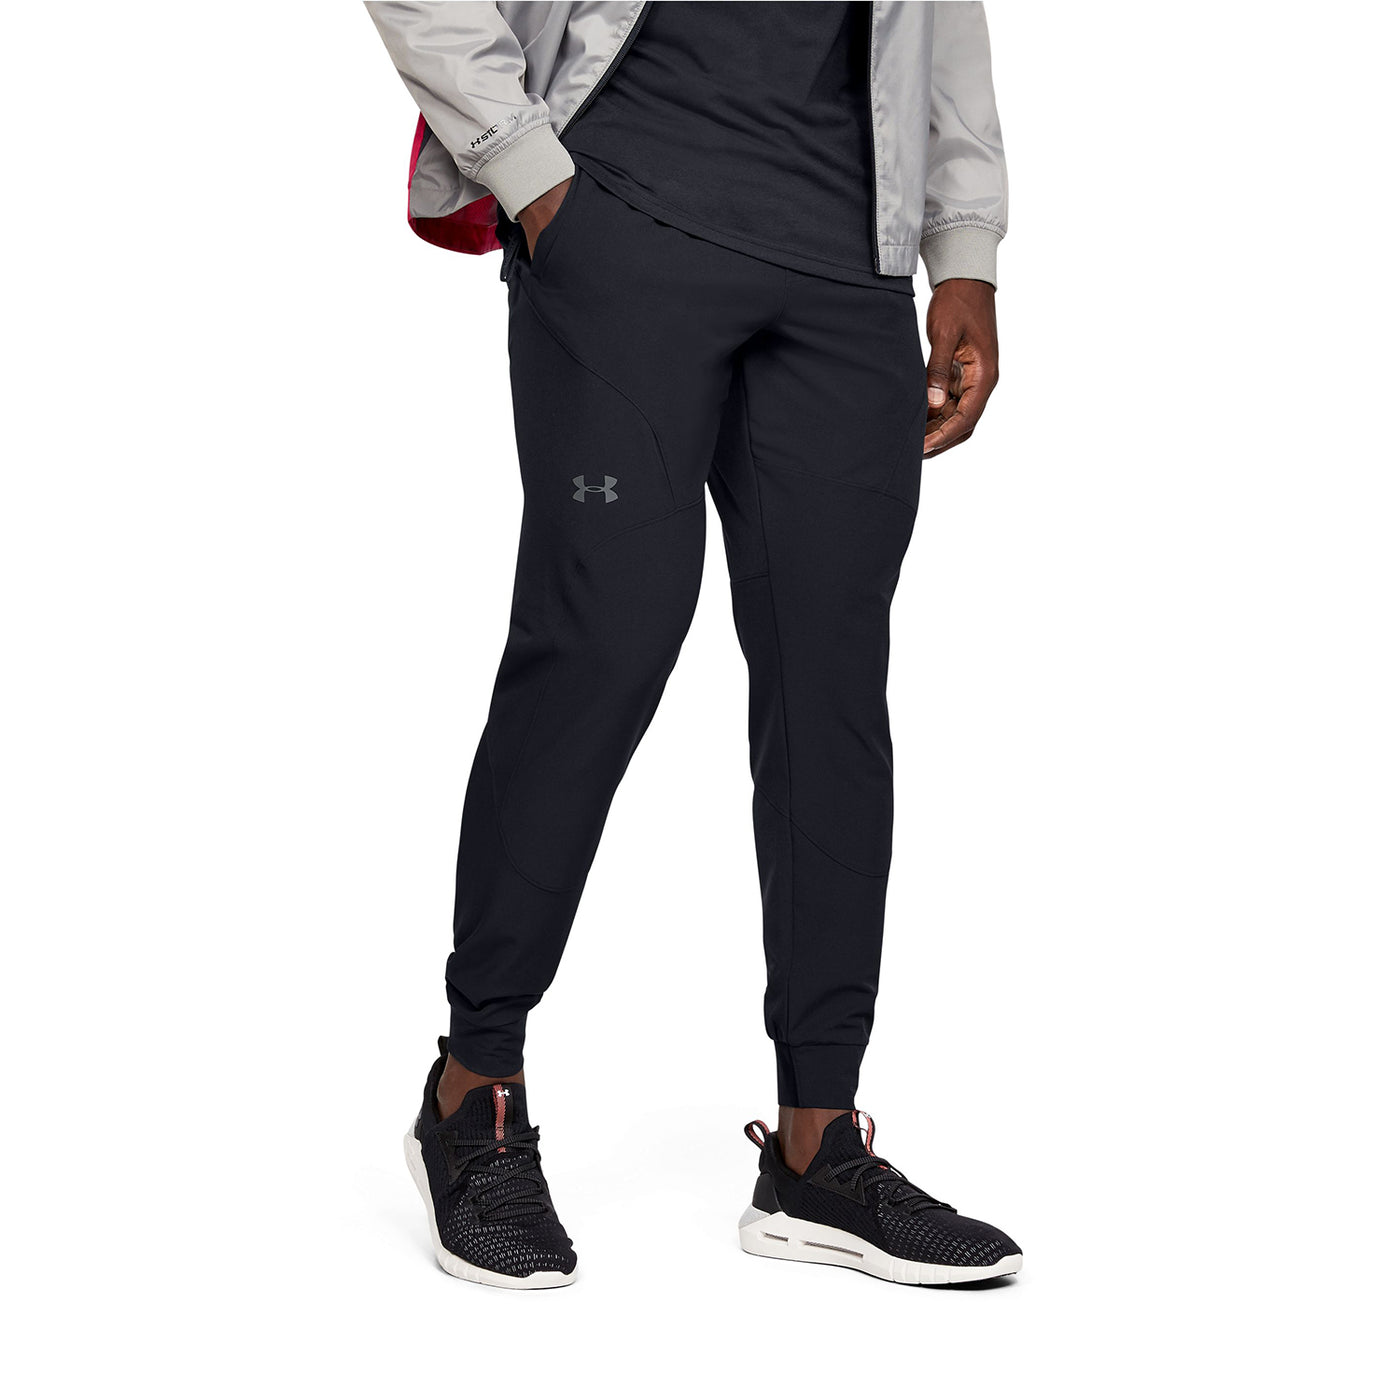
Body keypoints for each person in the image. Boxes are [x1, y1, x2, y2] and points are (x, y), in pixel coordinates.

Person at [369, 0, 1019, 1289]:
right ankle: (473, 1088)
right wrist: (529, 172)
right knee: (601, 644)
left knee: (833, 686)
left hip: (847, 269)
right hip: (622, 229)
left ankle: (818, 1147)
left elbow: (941, 22)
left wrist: (964, 249)